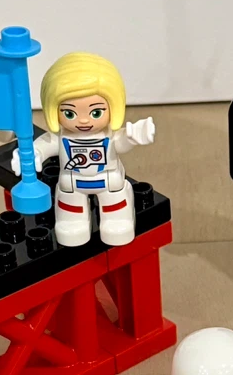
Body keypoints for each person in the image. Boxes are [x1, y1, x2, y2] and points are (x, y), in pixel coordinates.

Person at [24, 51, 155, 246]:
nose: (83, 120)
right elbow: (45, 144)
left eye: (96, 112)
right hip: (72, 182)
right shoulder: (62, 137)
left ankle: (117, 218)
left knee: (114, 203)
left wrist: (131, 137)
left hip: (108, 180)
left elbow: (120, 143)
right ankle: (73, 221)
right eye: (70, 113)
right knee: (70, 207)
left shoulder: (108, 135)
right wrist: (34, 154)